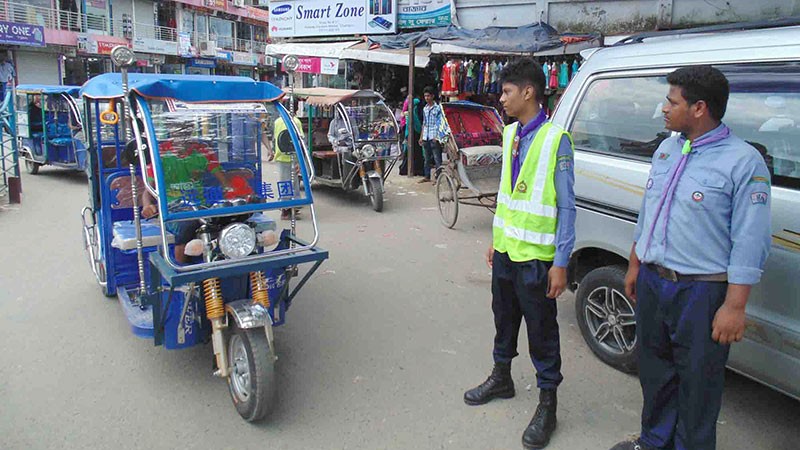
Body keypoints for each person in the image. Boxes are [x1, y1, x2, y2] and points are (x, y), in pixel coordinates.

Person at [609, 66, 771, 450]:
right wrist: (635, 264)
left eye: (671, 101)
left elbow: (750, 240)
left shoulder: (743, 162)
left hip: (701, 293)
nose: (663, 108)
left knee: (698, 384)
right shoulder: (667, 148)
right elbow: (650, 212)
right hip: (653, 281)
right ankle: (654, 441)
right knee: (654, 372)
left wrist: (735, 305)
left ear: (699, 108)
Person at [463, 58, 575, 450]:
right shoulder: (510, 134)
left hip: (539, 259)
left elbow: (567, 207)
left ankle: (548, 403)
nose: (502, 97)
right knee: (504, 319)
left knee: (542, 333)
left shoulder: (556, 139)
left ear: (528, 91)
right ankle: (502, 377)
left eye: (507, 91)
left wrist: (561, 262)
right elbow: (507, 197)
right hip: (508, 251)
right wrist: (496, 238)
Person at [141, 132, 228, 263]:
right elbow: (148, 189)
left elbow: (224, 181)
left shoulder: (203, 151)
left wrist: (232, 192)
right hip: (172, 207)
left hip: (201, 205)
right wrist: (147, 204)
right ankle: (182, 271)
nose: (182, 135)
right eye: (178, 130)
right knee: (187, 225)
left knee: (228, 221)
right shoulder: (160, 153)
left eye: (186, 129)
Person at [268, 114, 304, 220]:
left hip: (281, 155)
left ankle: (290, 208)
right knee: (293, 183)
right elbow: (299, 141)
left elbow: (275, 138)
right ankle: (286, 210)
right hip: (292, 155)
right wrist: (299, 160)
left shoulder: (277, 121)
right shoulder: (296, 122)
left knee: (285, 183)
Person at [418, 86, 447, 183]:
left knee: (437, 158)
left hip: (434, 136)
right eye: (425, 96)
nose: (426, 98)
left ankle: (438, 178)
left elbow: (440, 123)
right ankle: (427, 176)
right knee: (426, 159)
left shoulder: (438, 108)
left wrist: (438, 136)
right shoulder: (425, 109)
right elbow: (424, 123)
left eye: (428, 96)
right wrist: (421, 136)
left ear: (432, 96)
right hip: (426, 135)